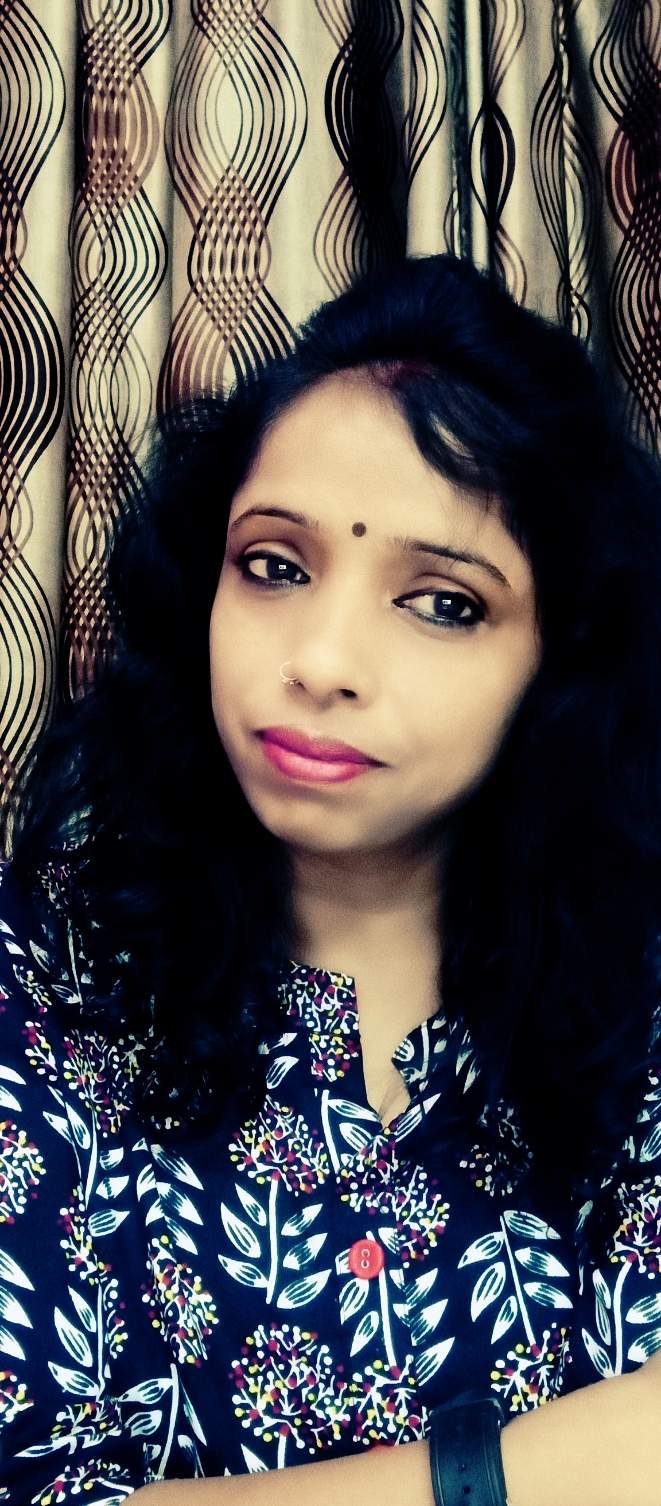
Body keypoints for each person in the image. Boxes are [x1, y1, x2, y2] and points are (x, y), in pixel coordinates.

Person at [0, 254, 659, 1506]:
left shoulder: (640, 997)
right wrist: (517, 1476)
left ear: (560, 659)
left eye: (441, 602)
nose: (321, 659)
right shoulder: (42, 981)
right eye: (275, 566)